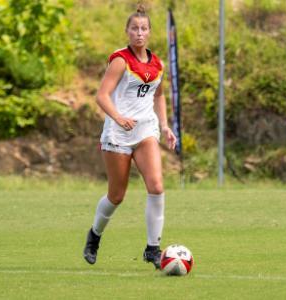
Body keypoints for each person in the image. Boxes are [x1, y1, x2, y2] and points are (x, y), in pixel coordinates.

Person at [83, 5, 177, 270]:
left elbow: (158, 95)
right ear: (127, 31)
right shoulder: (120, 60)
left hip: (145, 130)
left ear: (149, 32)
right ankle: (94, 236)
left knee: (157, 187)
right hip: (118, 132)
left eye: (144, 28)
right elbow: (101, 96)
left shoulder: (157, 63)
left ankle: (152, 249)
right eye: (134, 28)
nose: (139, 33)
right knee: (116, 196)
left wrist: (165, 125)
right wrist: (118, 118)